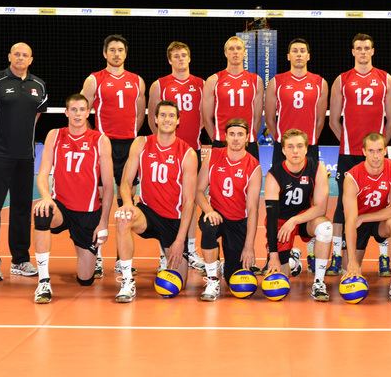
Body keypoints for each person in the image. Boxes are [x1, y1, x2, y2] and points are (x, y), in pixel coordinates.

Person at [31, 94, 114, 303]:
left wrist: (103, 222)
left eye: (82, 110)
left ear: (88, 112)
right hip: (62, 207)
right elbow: (42, 174)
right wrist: (46, 197)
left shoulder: (100, 140)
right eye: (73, 110)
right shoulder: (55, 135)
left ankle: (93, 254)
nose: (78, 114)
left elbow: (108, 186)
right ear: (66, 112)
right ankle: (43, 282)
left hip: (88, 212)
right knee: (42, 211)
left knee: (85, 280)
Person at [114, 100, 198, 303]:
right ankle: (126, 281)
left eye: (171, 116)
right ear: (155, 119)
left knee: (177, 284)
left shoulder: (187, 154)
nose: (167, 119)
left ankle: (169, 251)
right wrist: (127, 203)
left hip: (173, 219)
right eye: (163, 115)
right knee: (124, 218)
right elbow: (125, 182)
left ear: (178, 121)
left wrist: (179, 241)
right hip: (147, 212)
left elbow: (189, 202)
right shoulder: (141, 143)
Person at [328, 33, 391, 275]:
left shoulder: (386, 79)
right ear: (353, 51)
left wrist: (377, 149)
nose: (363, 52)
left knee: (382, 201)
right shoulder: (342, 80)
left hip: (377, 155)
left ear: (373, 51)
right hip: (349, 153)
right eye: (359, 48)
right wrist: (348, 142)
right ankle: (337, 256)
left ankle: (384, 256)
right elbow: (334, 121)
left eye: (367, 48)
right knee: (341, 207)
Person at [0, 43, 48, 282]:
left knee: (21, 209)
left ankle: (20, 260)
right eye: (16, 54)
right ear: (9, 56)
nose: (20, 58)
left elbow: (36, 114)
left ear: (31, 59)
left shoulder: (38, 85)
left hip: (25, 157)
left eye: (25, 55)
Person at [81, 34, 145, 276]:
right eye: (112, 50)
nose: (117, 54)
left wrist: (131, 136)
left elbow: (140, 114)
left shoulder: (137, 81)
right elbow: (82, 111)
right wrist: (95, 140)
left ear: (125, 54)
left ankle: (122, 258)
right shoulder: (93, 80)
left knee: (126, 201)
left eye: (120, 50)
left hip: (129, 147)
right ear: (105, 53)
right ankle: (95, 255)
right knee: (98, 202)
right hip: (103, 146)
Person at [148, 41, 205, 271]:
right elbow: (154, 119)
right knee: (165, 202)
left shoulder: (201, 84)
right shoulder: (159, 85)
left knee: (189, 202)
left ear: (189, 58)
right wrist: (162, 146)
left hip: (192, 151)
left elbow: (207, 115)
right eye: (176, 56)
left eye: (184, 55)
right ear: (169, 60)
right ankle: (164, 252)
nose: (181, 59)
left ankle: (190, 249)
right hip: (167, 153)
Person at [195, 117, 262, 301]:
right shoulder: (213, 155)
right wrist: (208, 210)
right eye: (232, 134)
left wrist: (249, 247)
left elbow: (253, 209)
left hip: (238, 221)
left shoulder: (253, 166)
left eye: (240, 134)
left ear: (247, 138)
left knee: (236, 281)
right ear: (225, 136)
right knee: (208, 227)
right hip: (215, 214)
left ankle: (226, 266)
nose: (235, 138)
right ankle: (212, 278)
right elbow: (199, 191)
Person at [264, 129, 333, 302]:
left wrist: (295, 220)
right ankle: (292, 260)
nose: (295, 151)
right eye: (291, 146)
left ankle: (318, 282)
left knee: (325, 227)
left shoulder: (317, 168)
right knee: (281, 282)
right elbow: (271, 218)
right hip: (280, 223)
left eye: (300, 146)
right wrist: (273, 256)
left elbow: (320, 209)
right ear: (283, 150)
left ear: (306, 148)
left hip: (304, 218)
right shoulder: (274, 174)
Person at [341, 132, 391, 304]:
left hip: (380, 220)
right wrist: (353, 262)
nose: (376, 156)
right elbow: (350, 221)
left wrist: (365, 217)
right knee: (349, 270)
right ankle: (354, 262)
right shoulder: (352, 177)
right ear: (363, 152)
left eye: (379, 150)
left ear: (385, 150)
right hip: (357, 222)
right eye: (371, 151)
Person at [265, 38, 328, 166]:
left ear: (308, 56)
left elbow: (320, 120)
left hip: (309, 145)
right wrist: (280, 140)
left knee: (310, 185)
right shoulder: (276, 82)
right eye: (294, 51)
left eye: (302, 51)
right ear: (288, 56)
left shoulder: (320, 83)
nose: (299, 54)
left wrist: (310, 139)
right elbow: (269, 119)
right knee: (280, 185)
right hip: (283, 146)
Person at [202, 36, 264, 159]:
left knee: (250, 178)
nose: (235, 52)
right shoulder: (213, 80)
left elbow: (258, 117)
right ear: (225, 53)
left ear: (244, 52)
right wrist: (217, 138)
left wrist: (249, 136)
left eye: (239, 48)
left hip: (248, 142)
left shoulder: (256, 80)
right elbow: (206, 118)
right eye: (231, 48)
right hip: (221, 141)